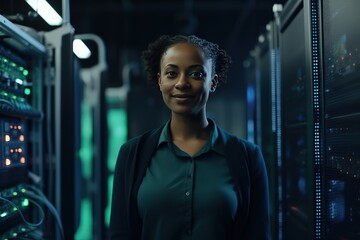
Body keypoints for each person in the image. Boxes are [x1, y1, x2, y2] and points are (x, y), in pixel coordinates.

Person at [109, 34, 271, 240]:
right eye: (171, 73)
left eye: (196, 74)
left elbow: (258, 234)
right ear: (160, 81)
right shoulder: (132, 154)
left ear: (213, 82)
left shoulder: (247, 157)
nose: (182, 83)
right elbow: (120, 234)